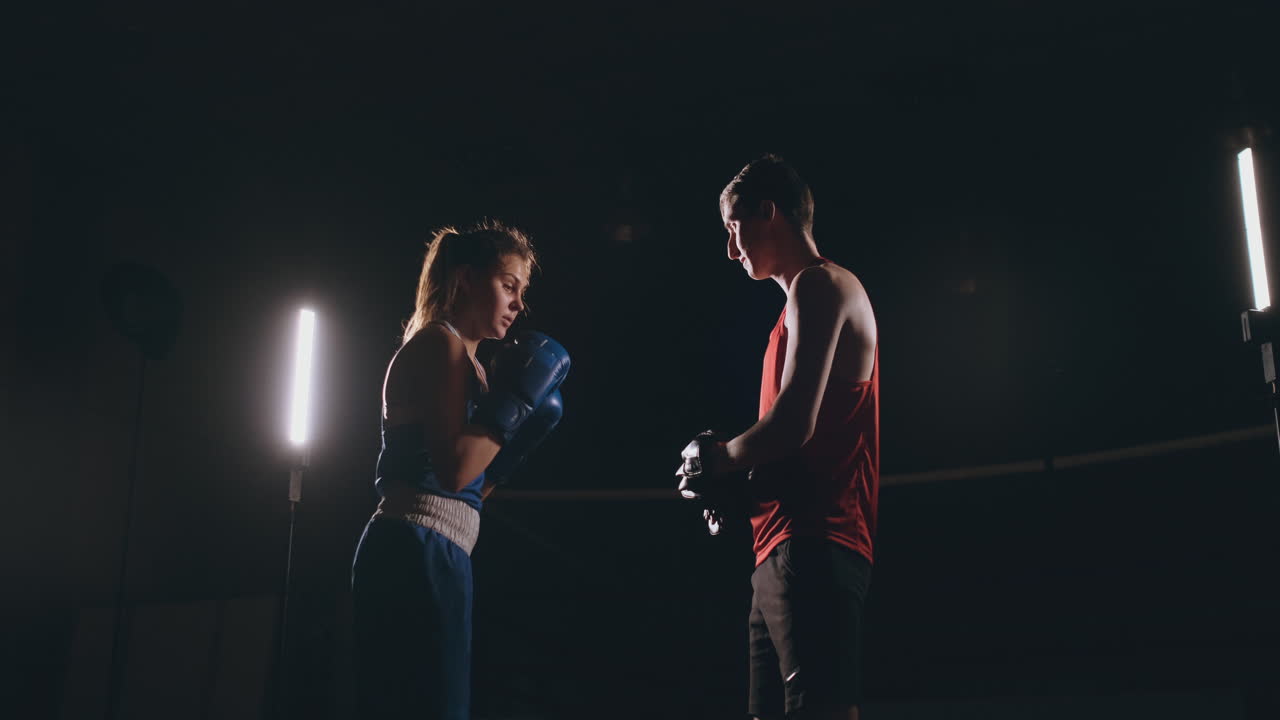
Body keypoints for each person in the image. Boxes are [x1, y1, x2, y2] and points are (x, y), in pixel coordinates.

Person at [677, 155, 879, 720]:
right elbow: (788, 439)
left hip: (817, 540)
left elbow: (793, 425)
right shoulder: (791, 311)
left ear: (769, 212)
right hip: (780, 546)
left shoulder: (822, 285)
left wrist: (718, 459)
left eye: (732, 228)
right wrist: (737, 472)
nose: (730, 248)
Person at [351, 220, 570, 720]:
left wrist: (513, 445)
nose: (518, 304)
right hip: (412, 547)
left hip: (443, 549)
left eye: (522, 292)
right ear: (468, 279)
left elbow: (470, 489)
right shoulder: (439, 346)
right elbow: (452, 472)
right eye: (508, 285)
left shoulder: (473, 366)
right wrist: (512, 405)